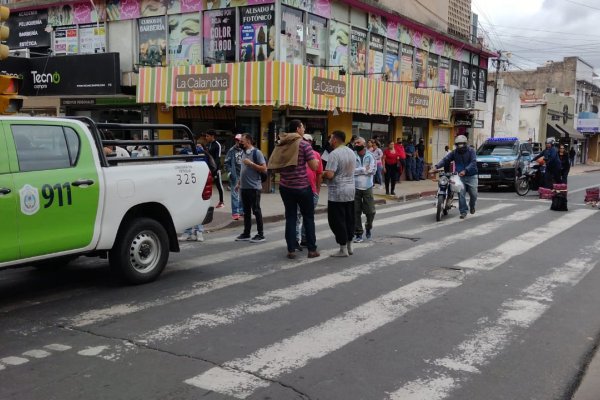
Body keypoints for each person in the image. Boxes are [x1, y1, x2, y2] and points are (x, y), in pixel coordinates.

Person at [268, 120, 320, 259]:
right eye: (303, 127)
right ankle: (312, 250)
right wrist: (317, 161)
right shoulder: (303, 144)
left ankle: (291, 250)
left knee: (290, 217)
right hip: (303, 187)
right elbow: (314, 167)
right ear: (298, 129)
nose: (304, 129)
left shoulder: (282, 143)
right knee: (308, 217)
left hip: (285, 186)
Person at [323, 130, 356, 257]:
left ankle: (343, 249)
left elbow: (330, 174)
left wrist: (323, 173)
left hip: (337, 192)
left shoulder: (334, 154)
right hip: (350, 190)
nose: (330, 140)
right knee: (349, 218)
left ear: (335, 140)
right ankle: (349, 246)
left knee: (337, 220)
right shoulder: (351, 152)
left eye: (331, 138)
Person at [431, 135, 478, 220]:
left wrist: (465, 170)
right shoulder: (454, 152)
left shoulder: (471, 151)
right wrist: (436, 167)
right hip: (460, 176)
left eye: (461, 144)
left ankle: (472, 206)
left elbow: (473, 162)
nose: (460, 146)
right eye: (458, 144)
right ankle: (463, 212)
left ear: (465, 144)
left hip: (471, 175)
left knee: (474, 195)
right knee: (461, 194)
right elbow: (446, 159)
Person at [235, 134, 267, 243]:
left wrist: (251, 163)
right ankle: (246, 233)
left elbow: (264, 168)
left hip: (254, 187)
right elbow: (242, 170)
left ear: (248, 141)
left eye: (242, 141)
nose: (240, 143)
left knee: (256, 210)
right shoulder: (243, 153)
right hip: (244, 187)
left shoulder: (256, 152)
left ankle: (261, 234)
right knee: (246, 211)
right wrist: (238, 183)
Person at [178, 139, 209, 241]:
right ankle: (188, 232)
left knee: (197, 206)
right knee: (186, 207)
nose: (184, 143)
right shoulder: (183, 152)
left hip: (199, 182)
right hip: (187, 183)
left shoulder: (201, 152)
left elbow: (205, 166)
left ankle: (199, 231)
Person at [296, 133, 323, 248]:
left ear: (311, 142)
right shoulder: (296, 154)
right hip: (298, 189)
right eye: (303, 140)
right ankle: (295, 240)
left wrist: (317, 191)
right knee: (297, 216)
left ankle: (305, 239)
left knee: (308, 216)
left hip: (311, 190)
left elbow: (319, 174)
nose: (305, 142)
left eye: (307, 140)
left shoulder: (316, 155)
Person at [353, 137, 376, 243]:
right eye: (355, 143)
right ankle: (358, 233)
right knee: (355, 212)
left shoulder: (370, 156)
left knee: (370, 211)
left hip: (367, 187)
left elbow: (372, 170)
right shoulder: (352, 155)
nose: (356, 144)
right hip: (355, 187)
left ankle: (368, 227)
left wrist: (358, 171)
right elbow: (350, 171)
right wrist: (363, 169)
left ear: (364, 144)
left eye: (358, 142)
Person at [224, 134, 244, 220]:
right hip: (235, 175)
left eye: (239, 140)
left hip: (244, 175)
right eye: (236, 140)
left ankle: (241, 210)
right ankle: (235, 212)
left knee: (243, 194)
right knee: (235, 194)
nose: (238, 142)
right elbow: (226, 163)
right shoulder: (231, 150)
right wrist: (229, 172)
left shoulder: (246, 150)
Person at [205, 130, 225, 208]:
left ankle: (221, 202)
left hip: (216, 169)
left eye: (207, 136)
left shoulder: (217, 145)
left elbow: (217, 158)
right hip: (208, 168)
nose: (206, 138)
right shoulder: (208, 144)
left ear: (212, 136)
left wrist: (215, 169)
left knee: (219, 185)